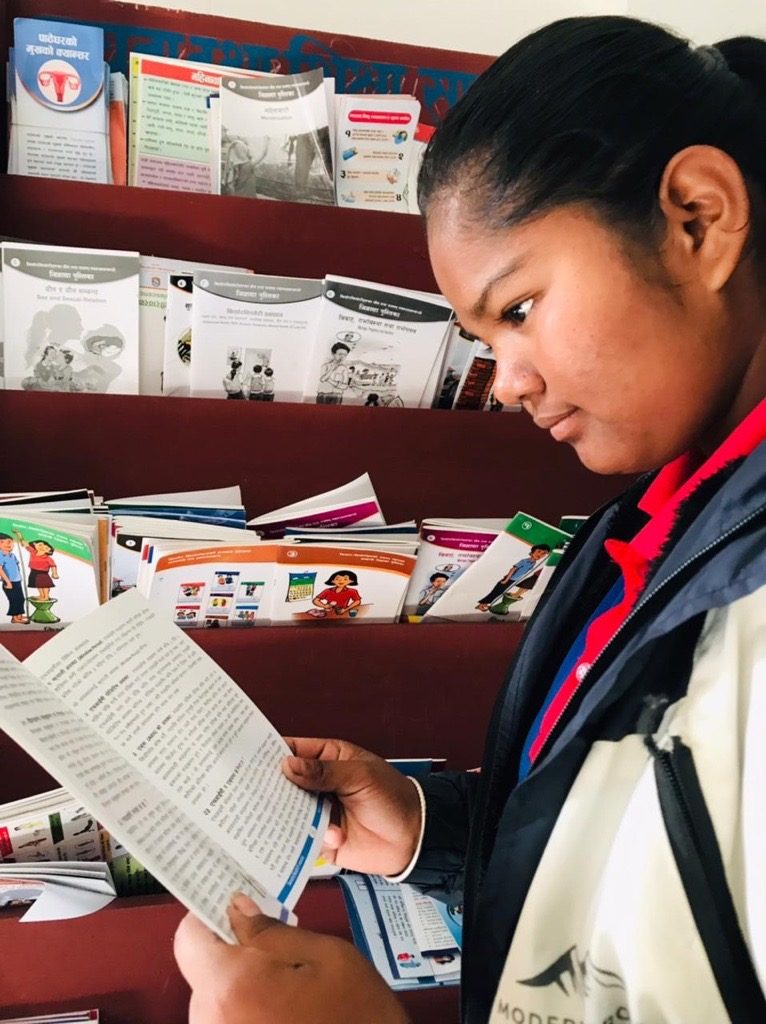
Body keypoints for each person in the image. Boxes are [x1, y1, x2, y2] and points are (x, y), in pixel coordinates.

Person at [174, 16, 766, 1024]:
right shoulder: (644, 530)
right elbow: (629, 876)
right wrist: (417, 831)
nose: (507, 383)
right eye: (482, 339)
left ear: (697, 219)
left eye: (519, 309)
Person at [475, 543, 551, 611]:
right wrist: (506, 580)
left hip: (513, 580)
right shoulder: (524, 561)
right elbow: (513, 569)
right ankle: (481, 604)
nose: (540, 554)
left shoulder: (533, 563)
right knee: (496, 592)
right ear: (533, 551)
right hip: (508, 579)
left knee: (499, 593)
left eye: (543, 553)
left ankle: (483, 604)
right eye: (539, 551)